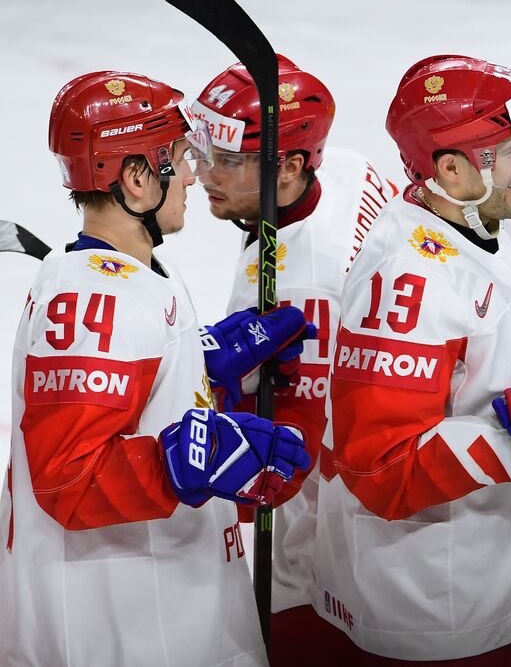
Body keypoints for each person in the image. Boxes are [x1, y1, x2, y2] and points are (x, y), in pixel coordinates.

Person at [313, 55, 511, 665]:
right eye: (509, 148)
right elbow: (378, 468)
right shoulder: (405, 280)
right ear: (451, 169)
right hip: (431, 607)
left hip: (490, 580)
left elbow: (491, 368)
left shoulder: (489, 224)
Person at [0, 71, 312, 666]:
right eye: (178, 158)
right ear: (138, 179)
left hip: (151, 613)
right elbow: (68, 476)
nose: (192, 174)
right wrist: (187, 458)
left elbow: (122, 394)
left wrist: (203, 361)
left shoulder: (119, 281)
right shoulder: (95, 301)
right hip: (119, 632)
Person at [189, 54, 398, 665]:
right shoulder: (349, 169)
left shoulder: (297, 288)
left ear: (290, 165)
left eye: (227, 161)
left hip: (314, 568)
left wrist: (219, 393)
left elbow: (291, 455)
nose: (203, 173)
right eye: (205, 151)